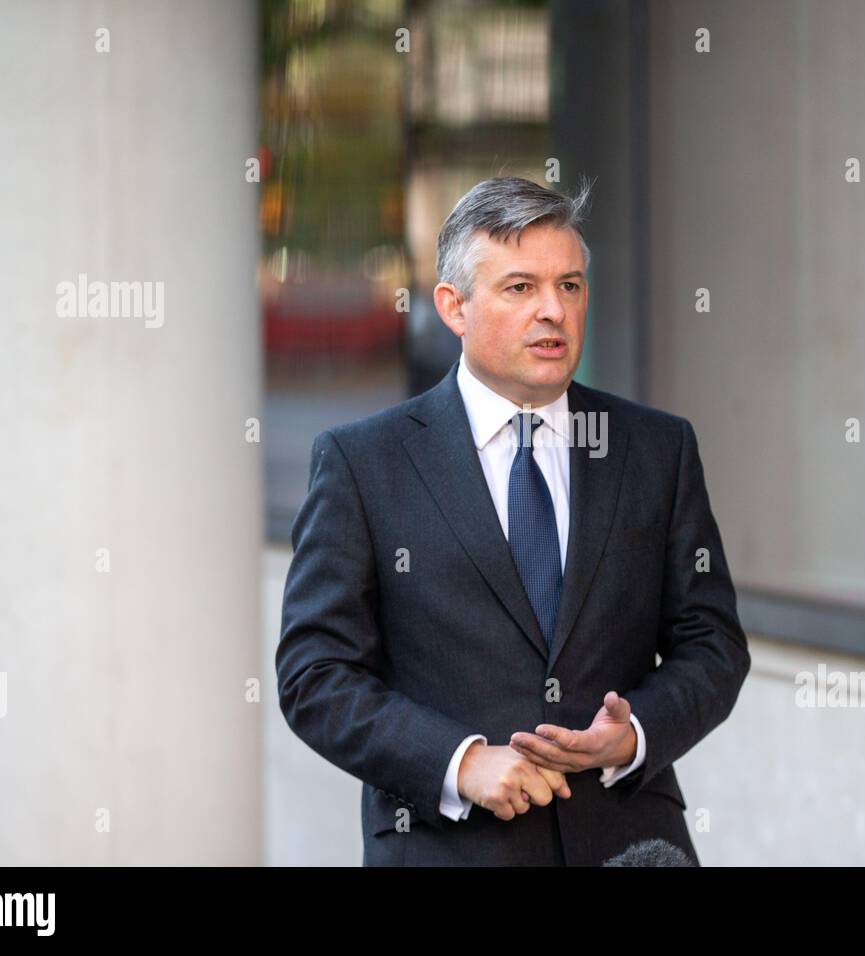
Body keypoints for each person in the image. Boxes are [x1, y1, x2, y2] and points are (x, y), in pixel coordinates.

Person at [276, 176, 750, 865]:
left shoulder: (657, 448)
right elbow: (314, 674)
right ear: (454, 307)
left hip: (626, 845)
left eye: (571, 286)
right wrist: (459, 762)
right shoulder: (363, 463)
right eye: (520, 288)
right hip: (447, 850)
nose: (553, 311)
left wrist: (634, 734)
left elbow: (713, 644)